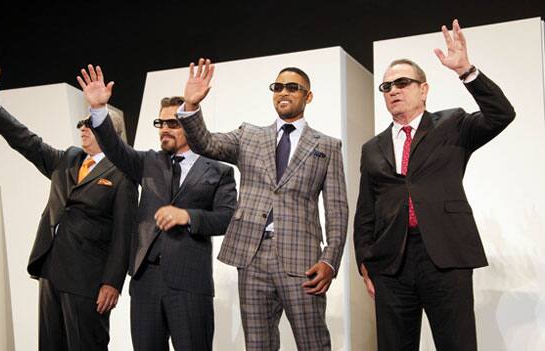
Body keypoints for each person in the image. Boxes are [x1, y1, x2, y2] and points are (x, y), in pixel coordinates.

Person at [353, 19, 515, 351]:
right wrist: (364, 262)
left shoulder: (452, 123)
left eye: (402, 83)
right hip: (391, 263)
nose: (394, 90)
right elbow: (366, 208)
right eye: (387, 87)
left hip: (445, 256)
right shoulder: (372, 148)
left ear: (423, 89)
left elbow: (501, 114)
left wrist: (466, 70)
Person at [176, 59, 348, 350]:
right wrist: (191, 106)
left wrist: (330, 259)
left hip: (303, 260)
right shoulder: (249, 136)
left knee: (313, 343)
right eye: (278, 87)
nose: (283, 92)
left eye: (292, 87)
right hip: (251, 256)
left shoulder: (327, 146)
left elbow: (337, 208)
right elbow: (205, 143)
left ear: (308, 96)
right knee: (258, 345)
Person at [75, 64, 237, 351]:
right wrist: (99, 110)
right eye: (160, 123)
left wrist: (187, 216)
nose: (164, 129)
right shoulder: (148, 162)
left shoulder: (218, 170)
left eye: (172, 123)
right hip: (146, 282)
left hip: (190, 283)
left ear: (188, 124)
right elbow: (114, 147)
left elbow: (227, 219)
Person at [0, 64, 138, 351]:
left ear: (110, 132)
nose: (83, 129)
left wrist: (112, 282)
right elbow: (28, 142)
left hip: (87, 280)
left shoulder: (122, 173)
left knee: (86, 345)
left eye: (90, 123)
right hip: (52, 272)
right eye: (83, 123)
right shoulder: (69, 159)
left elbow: (124, 234)